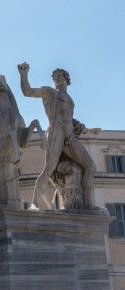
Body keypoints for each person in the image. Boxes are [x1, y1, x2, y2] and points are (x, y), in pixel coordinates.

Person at [17, 62, 97, 210]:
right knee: (49, 168)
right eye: (55, 77)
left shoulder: (71, 100)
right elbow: (27, 91)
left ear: (67, 80)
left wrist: (90, 130)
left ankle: (90, 205)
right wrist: (24, 75)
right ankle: (34, 203)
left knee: (91, 167)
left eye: (61, 76)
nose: (58, 79)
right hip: (56, 132)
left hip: (70, 136)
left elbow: (71, 121)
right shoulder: (49, 92)